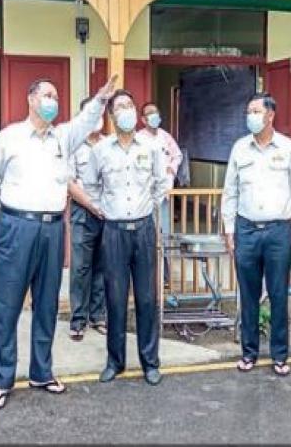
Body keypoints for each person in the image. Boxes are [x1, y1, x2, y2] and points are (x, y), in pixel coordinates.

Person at [0, 74, 117, 410]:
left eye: (56, 96)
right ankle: (2, 379)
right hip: (18, 228)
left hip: (53, 228)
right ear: (31, 99)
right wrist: (13, 214)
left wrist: (100, 99)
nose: (52, 101)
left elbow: (85, 121)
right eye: (47, 95)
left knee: (47, 303)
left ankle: (41, 372)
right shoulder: (10, 137)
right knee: (7, 304)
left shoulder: (62, 138)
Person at [85, 90, 169, 385]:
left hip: (143, 229)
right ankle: (115, 361)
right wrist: (105, 209)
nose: (127, 111)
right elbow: (91, 186)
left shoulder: (151, 147)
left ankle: (150, 363)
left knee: (146, 298)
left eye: (130, 105)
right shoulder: (101, 150)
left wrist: (149, 205)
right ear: (111, 115)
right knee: (115, 298)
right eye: (120, 107)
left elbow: (161, 183)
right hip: (114, 232)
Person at [221, 92, 291, 377]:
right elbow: (230, 192)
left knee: (279, 294)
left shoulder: (288, 148)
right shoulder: (240, 148)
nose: (251, 116)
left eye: (256, 111)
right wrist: (229, 230)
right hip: (246, 230)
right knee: (248, 295)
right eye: (249, 111)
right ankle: (249, 353)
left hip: (278, 231)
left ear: (270, 115)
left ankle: (280, 355)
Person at [67, 98, 106, 342]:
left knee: (103, 266)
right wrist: (92, 205)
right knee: (80, 268)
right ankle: (78, 320)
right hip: (83, 212)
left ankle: (98, 316)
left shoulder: (109, 145)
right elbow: (70, 183)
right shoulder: (74, 146)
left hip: (108, 214)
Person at [138, 102, 182, 286]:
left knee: (164, 234)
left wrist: (172, 169)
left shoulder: (165, 136)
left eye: (156, 112)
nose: (154, 116)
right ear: (143, 119)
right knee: (148, 235)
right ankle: (148, 276)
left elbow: (177, 155)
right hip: (146, 197)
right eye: (150, 113)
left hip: (164, 196)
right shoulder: (139, 138)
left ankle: (165, 276)